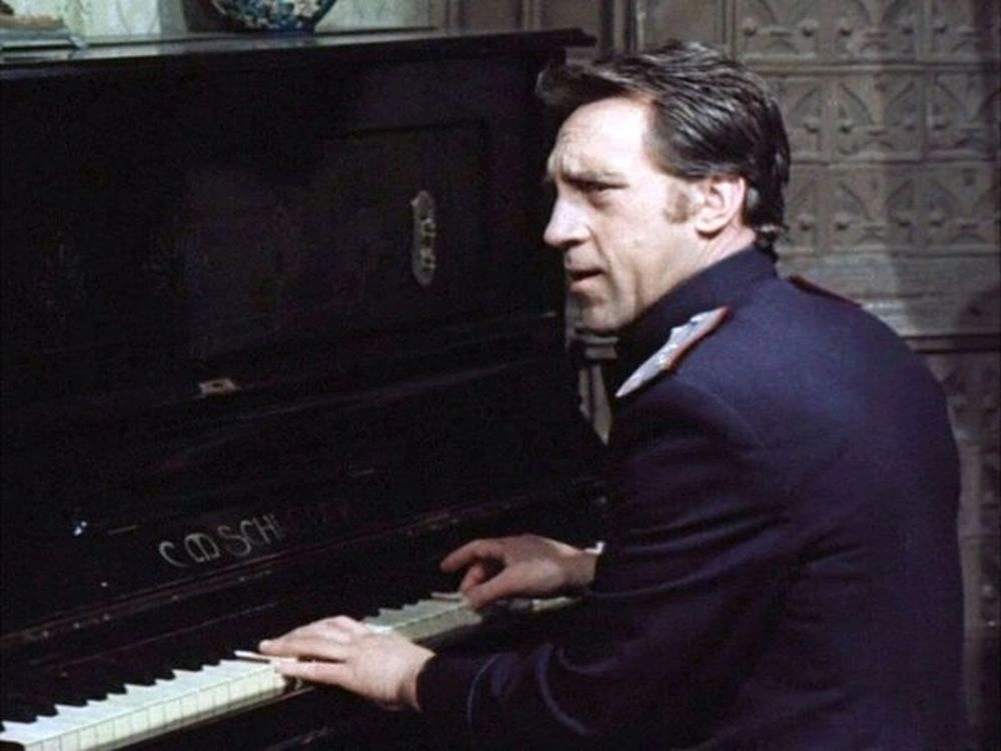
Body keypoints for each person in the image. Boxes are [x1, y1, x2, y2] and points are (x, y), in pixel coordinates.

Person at [259, 40, 964, 749]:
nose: (556, 231)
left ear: (713, 199)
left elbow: (587, 708)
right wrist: (587, 569)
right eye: (557, 196)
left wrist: (409, 674)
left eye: (596, 192)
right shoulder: (848, 336)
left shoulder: (702, 401)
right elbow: (797, 577)